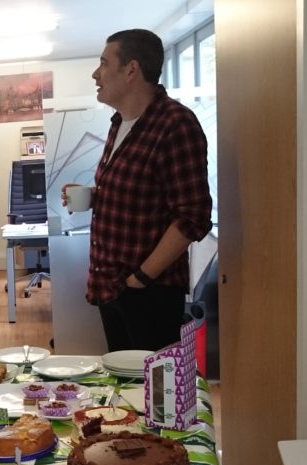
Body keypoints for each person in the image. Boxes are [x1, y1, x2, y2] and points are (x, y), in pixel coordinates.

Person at [64, 29, 213, 352]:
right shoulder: (120, 122)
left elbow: (193, 216)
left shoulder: (176, 124)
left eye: (103, 64)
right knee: (123, 386)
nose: (95, 74)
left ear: (131, 70)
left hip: (149, 291)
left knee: (153, 394)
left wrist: (141, 279)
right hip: (110, 284)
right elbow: (139, 191)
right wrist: (93, 194)